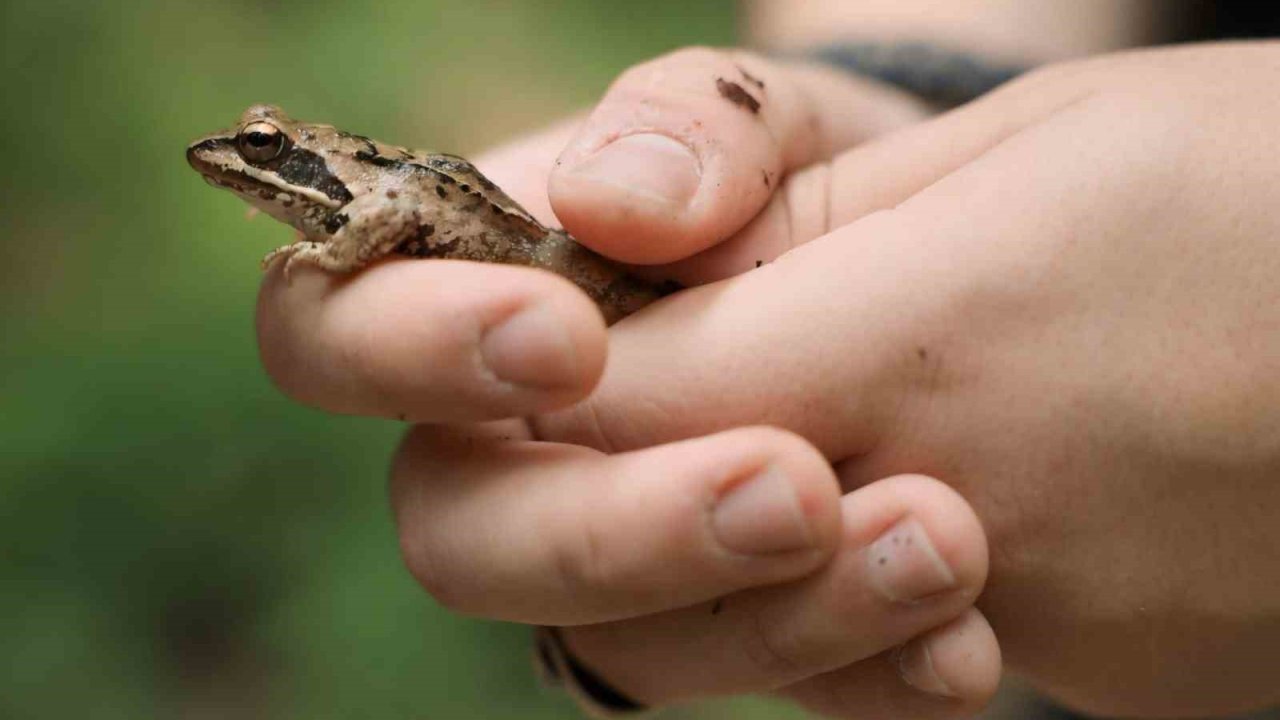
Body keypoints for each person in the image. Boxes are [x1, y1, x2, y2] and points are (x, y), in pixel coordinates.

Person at [254, 2, 1280, 717]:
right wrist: (904, 99)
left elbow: (383, 214)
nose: (246, 158)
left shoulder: (357, 196)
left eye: (264, 148)